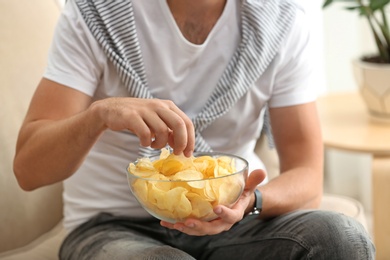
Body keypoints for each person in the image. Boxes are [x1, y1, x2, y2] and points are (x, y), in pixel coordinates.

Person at [13, 0, 375, 259]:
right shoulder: (96, 12)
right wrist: (99, 115)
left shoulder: (280, 20)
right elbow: (28, 169)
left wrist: (250, 202)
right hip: (112, 227)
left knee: (342, 237)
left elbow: (308, 176)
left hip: (233, 224)